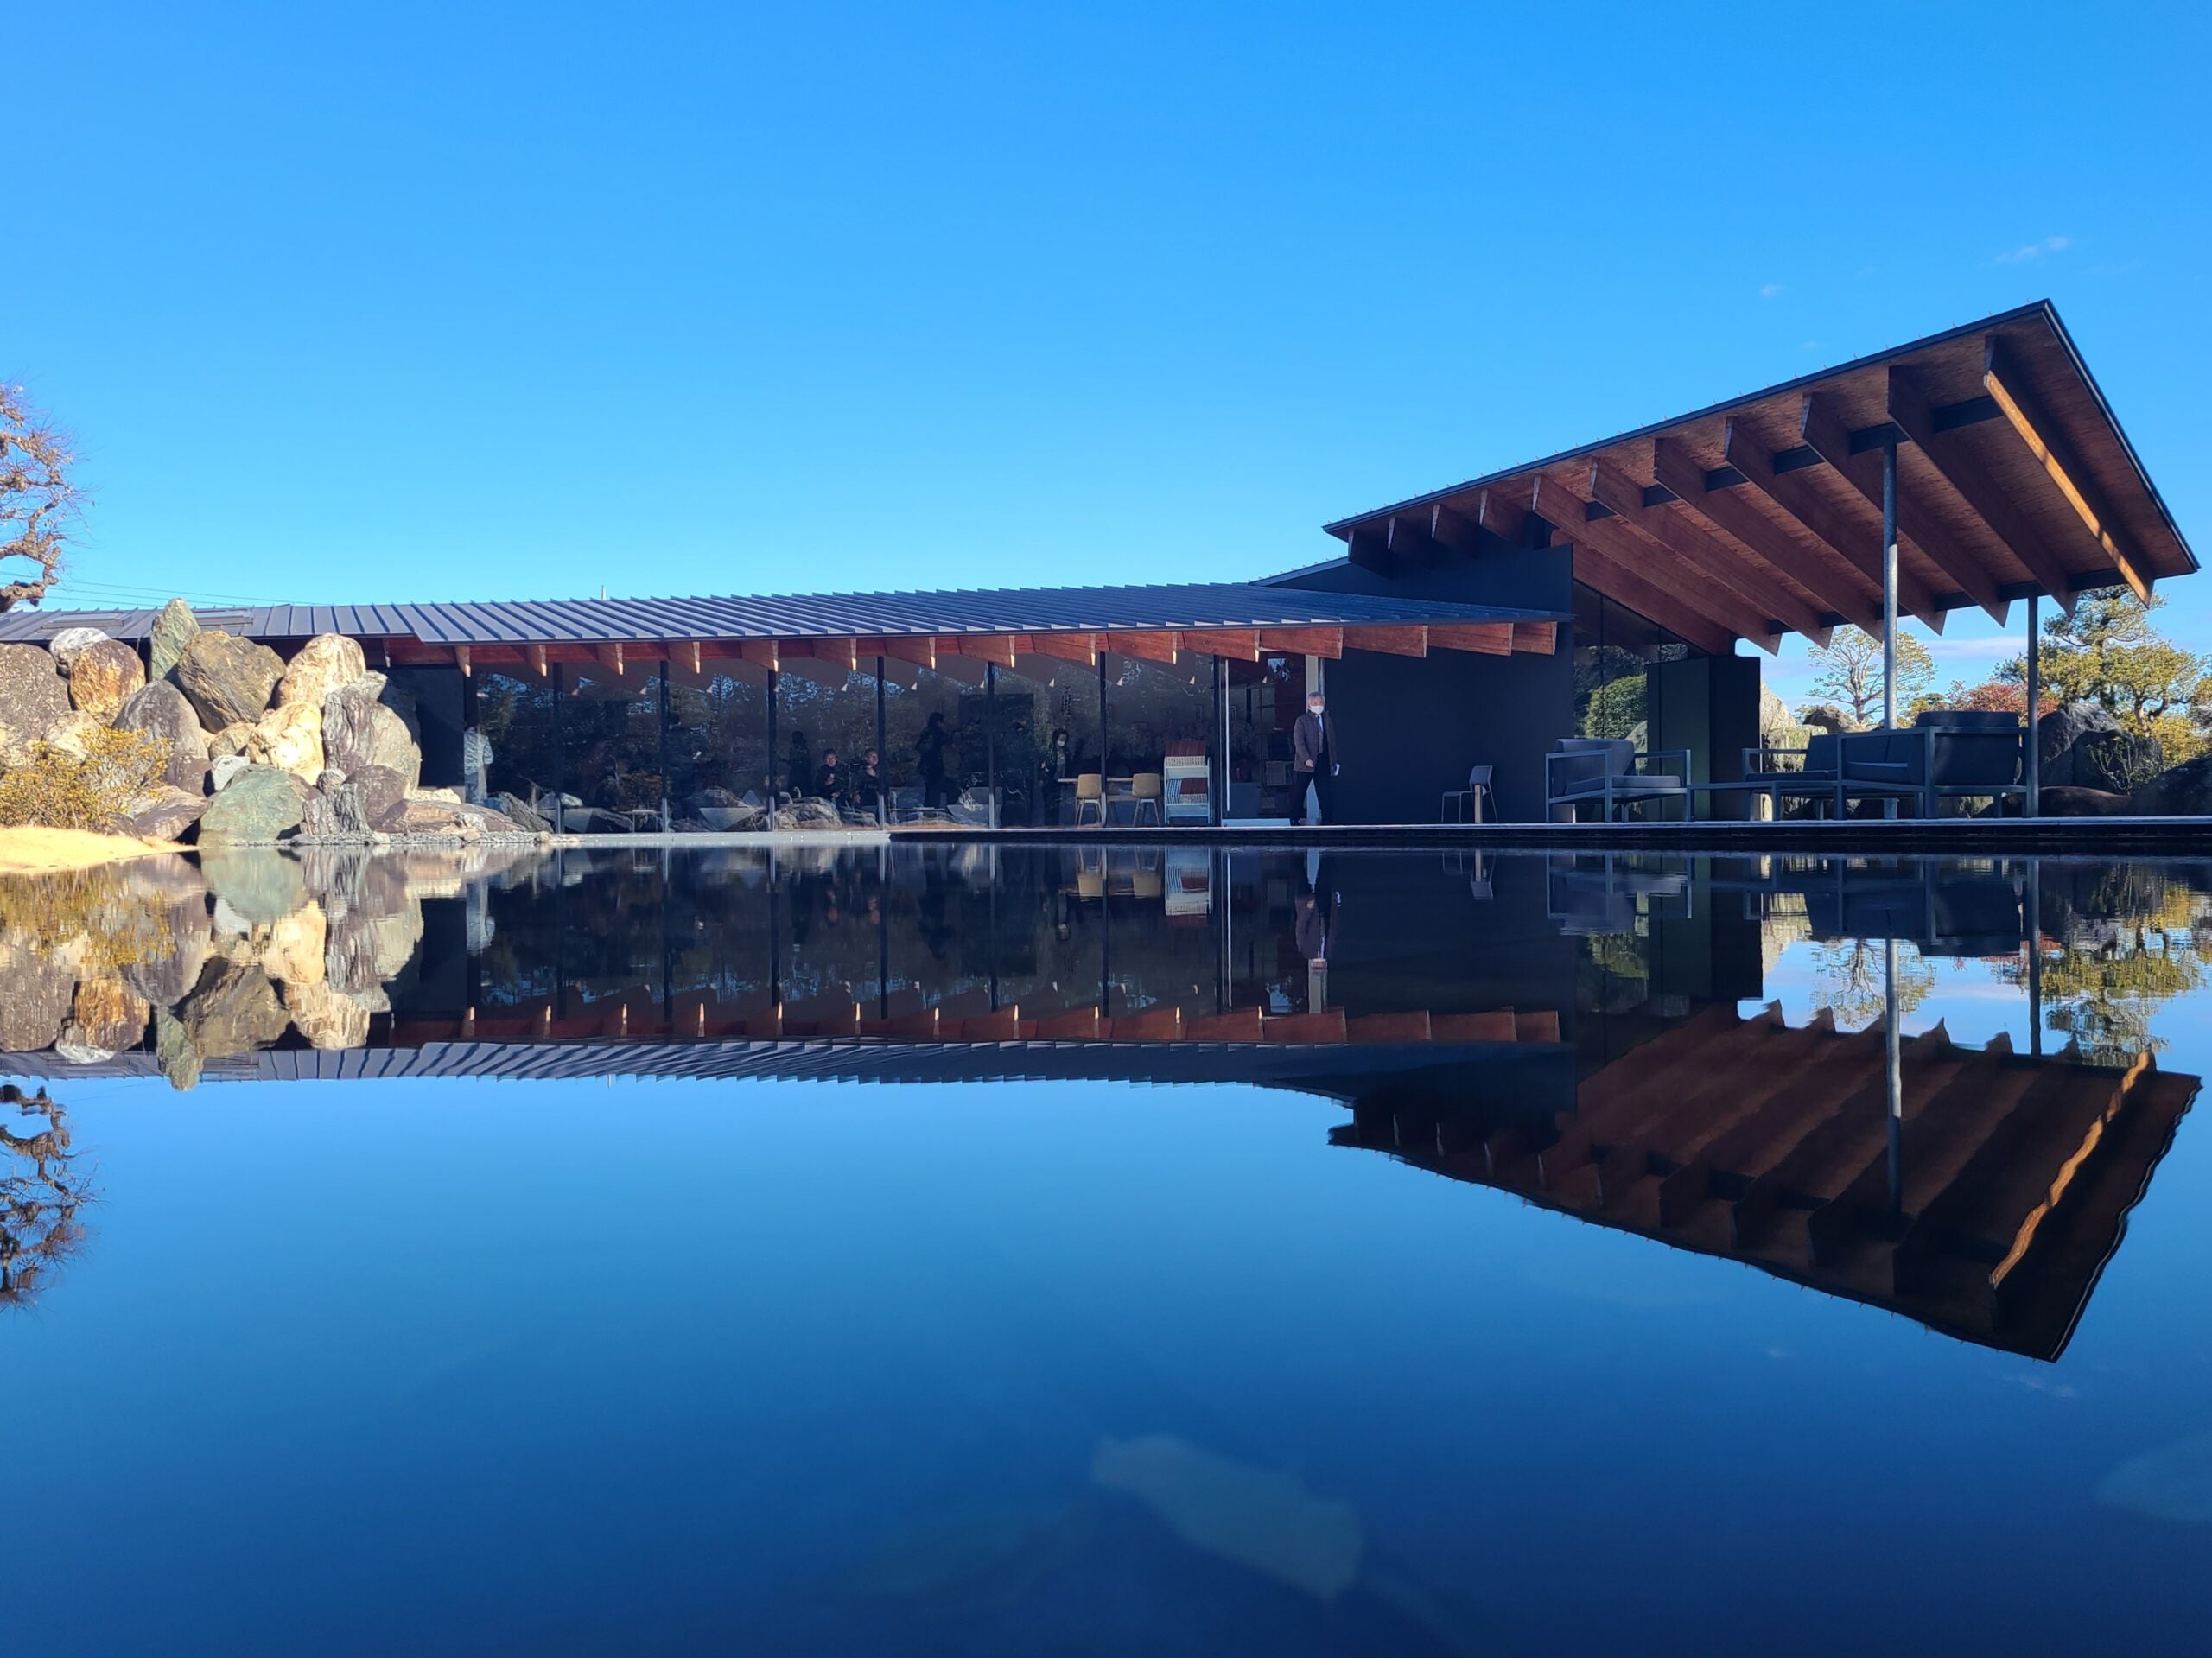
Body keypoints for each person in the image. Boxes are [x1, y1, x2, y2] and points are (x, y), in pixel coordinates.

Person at [1292, 689, 1340, 825]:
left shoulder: (1327, 719)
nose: (1317, 705)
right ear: (1309, 705)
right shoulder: (1302, 721)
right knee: (1300, 791)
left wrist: (1334, 761)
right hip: (1304, 763)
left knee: (1324, 792)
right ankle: (1294, 818)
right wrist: (1306, 758)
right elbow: (1299, 742)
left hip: (1323, 760)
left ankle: (1328, 820)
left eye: (1320, 702)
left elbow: (1332, 742)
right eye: (1314, 703)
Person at [916, 712, 950, 810]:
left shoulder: (935, 732)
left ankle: (932, 809)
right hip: (931, 765)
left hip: (935, 764)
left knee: (935, 790)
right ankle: (931, 810)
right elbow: (920, 747)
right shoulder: (930, 733)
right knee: (932, 789)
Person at [852, 748, 885, 818]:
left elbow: (886, 783)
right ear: (866, 758)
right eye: (870, 757)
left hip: (882, 800)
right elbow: (856, 784)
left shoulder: (882, 769)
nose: (873, 759)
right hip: (867, 801)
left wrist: (875, 776)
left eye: (875, 757)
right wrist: (856, 794)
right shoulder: (861, 770)